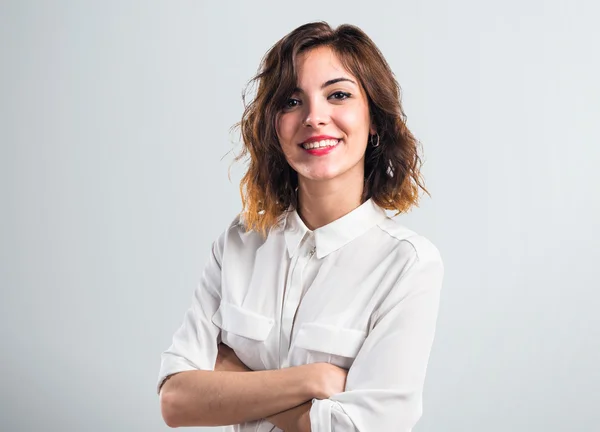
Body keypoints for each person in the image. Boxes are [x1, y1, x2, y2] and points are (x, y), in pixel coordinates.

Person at [157, 21, 445, 432]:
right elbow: (176, 402)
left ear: (375, 119)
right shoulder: (239, 244)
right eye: (292, 101)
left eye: (338, 95)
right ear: (274, 125)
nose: (314, 117)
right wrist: (314, 381)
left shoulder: (408, 264)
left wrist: (235, 383)